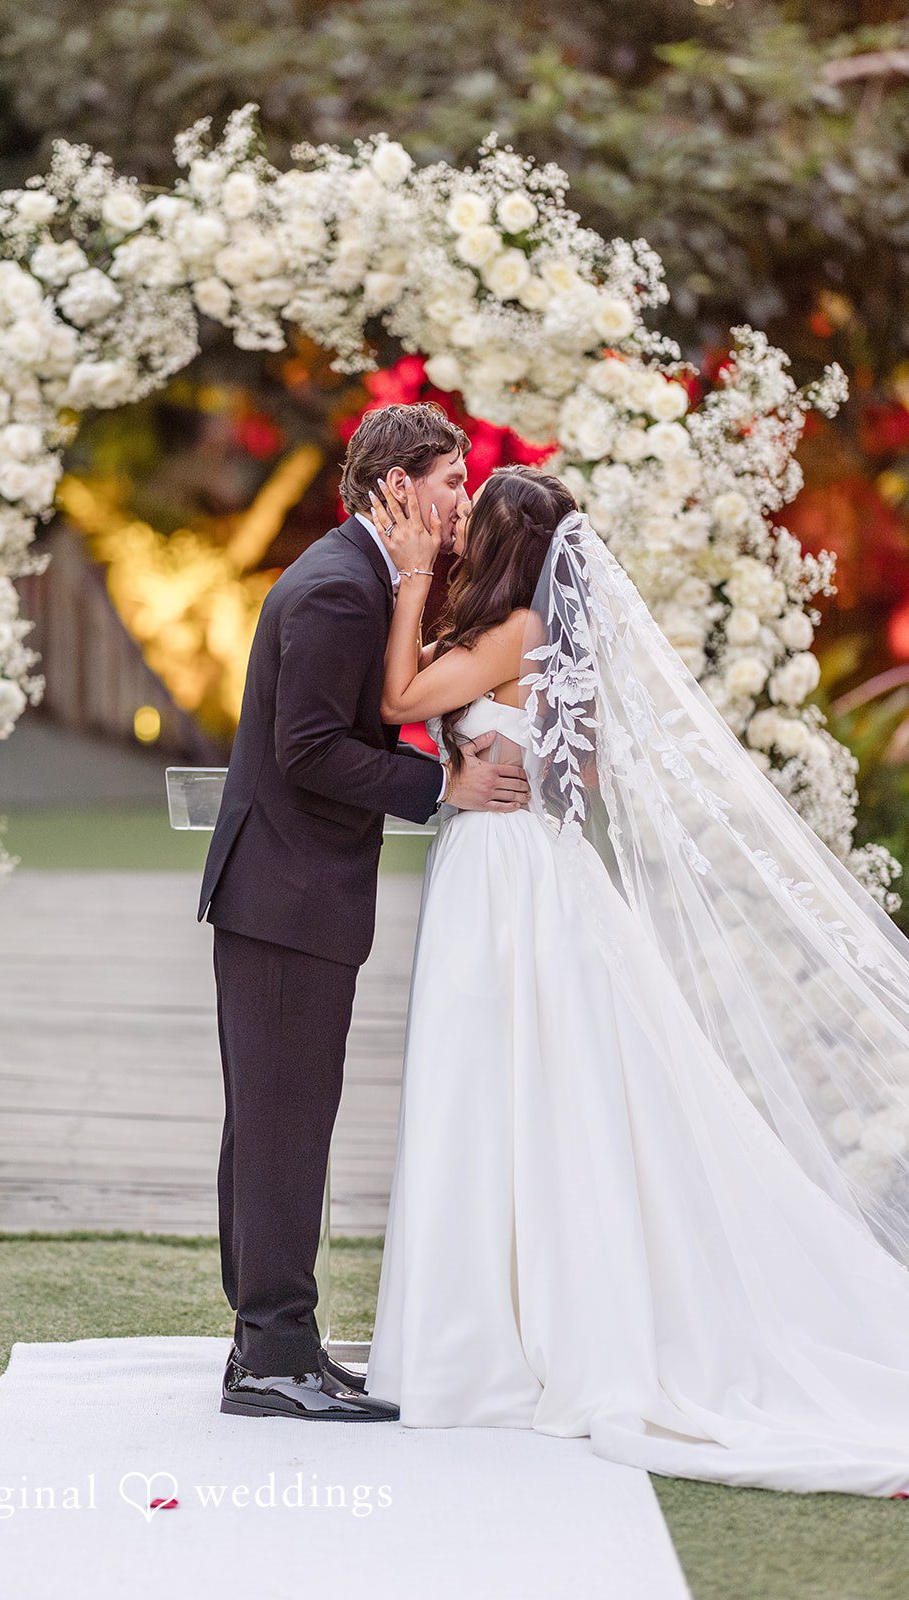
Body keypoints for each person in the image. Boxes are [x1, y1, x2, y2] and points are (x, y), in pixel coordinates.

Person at [364, 462, 909, 1496]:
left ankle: (493, 1344)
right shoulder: (523, 634)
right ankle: (496, 1325)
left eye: (473, 524)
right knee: (510, 1092)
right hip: (519, 868)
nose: (460, 534)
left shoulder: (516, 631)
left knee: (497, 1087)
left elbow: (397, 694)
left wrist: (408, 577)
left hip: (505, 878)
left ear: (510, 546)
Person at [197, 403, 531, 1421]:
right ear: (396, 488)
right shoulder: (341, 590)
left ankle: (270, 1343)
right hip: (286, 897)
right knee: (283, 1129)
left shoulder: (357, 578)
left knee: (272, 1124)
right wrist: (442, 788)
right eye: (447, 482)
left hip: (284, 894)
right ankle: (271, 1359)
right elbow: (308, 749)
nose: (459, 501)